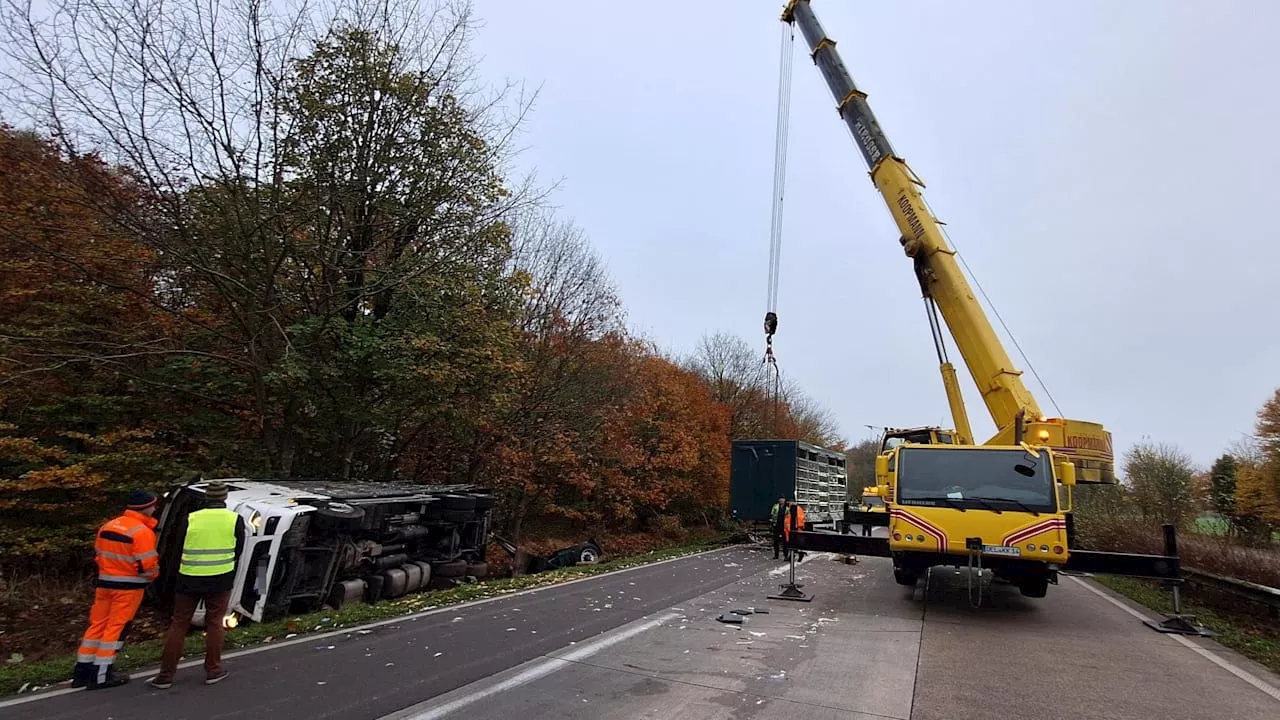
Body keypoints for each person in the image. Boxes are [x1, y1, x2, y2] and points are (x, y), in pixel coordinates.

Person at [149, 481, 246, 689]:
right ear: (224, 498)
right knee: (215, 623)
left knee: (179, 624)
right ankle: (213, 670)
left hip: (189, 578)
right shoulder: (235, 519)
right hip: (220, 579)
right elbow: (239, 550)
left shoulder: (190, 519)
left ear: (206, 498)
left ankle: (165, 675)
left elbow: (175, 549)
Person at [73, 489, 161, 689]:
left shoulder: (108, 525)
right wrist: (152, 578)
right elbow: (148, 566)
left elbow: (98, 554)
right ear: (145, 508)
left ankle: (82, 673)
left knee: (97, 625)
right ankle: (102, 675)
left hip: (104, 584)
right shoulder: (141, 532)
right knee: (116, 628)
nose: (155, 508)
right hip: (128, 587)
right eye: (153, 505)